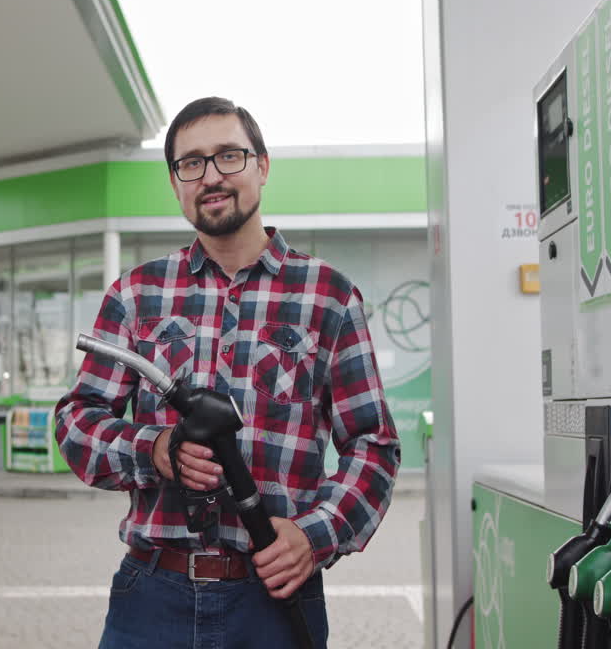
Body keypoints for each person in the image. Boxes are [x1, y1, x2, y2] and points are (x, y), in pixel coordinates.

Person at [56, 96, 400, 648]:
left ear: (262, 166)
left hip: (274, 598)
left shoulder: (328, 296)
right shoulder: (137, 295)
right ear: (176, 183)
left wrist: (315, 536)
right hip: (151, 598)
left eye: (229, 157)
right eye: (191, 163)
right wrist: (155, 449)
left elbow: (373, 444)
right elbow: (76, 424)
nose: (211, 176)